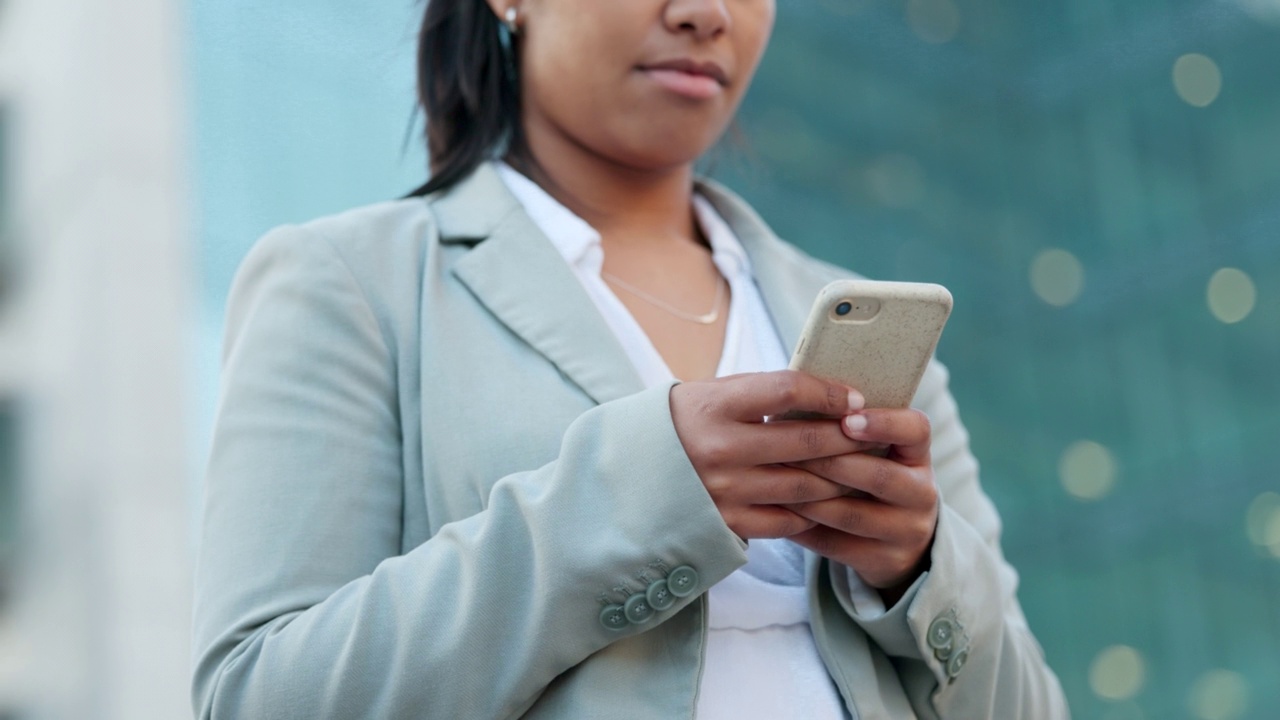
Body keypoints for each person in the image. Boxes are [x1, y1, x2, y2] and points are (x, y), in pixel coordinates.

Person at [191, 0, 1070, 717]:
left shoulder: (866, 323)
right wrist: (641, 498)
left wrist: (917, 565)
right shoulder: (353, 283)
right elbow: (260, 696)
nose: (705, 13)